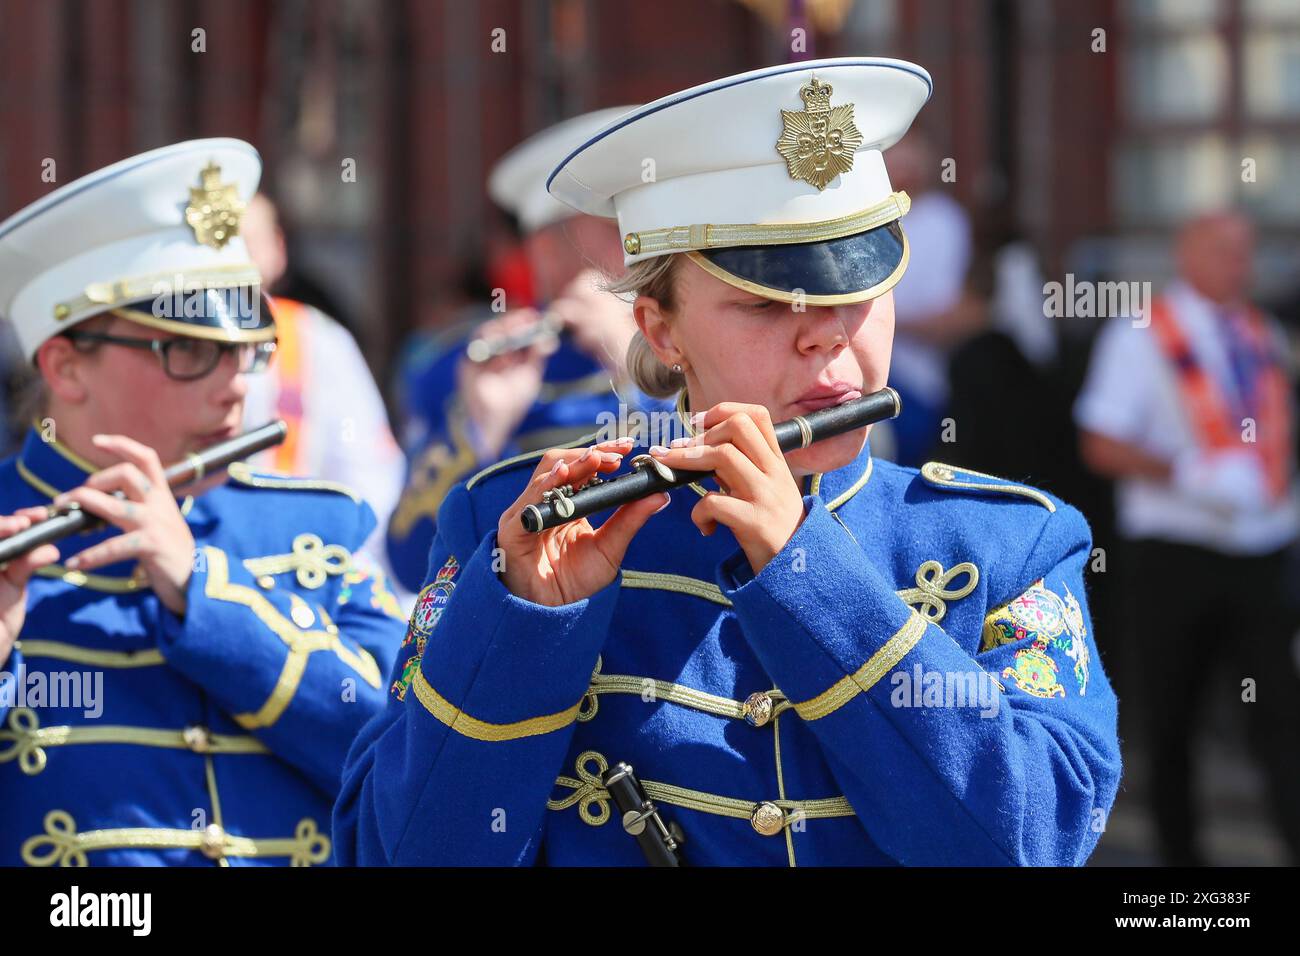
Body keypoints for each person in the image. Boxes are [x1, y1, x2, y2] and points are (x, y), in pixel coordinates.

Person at [336, 58, 1122, 866]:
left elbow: (1035, 841)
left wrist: (809, 577)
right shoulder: (503, 528)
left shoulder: (1008, 543)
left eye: (859, 289)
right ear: (662, 329)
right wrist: (520, 632)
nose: (827, 334)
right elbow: (395, 851)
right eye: (765, 302)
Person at [0, 140, 406, 866]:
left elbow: (402, 762)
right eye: (186, 351)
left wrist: (207, 596)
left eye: (244, 351)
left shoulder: (315, 525)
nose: (236, 387)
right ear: (64, 364)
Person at [1075, 210, 1300, 866]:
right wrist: (1188, 471)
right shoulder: (1140, 333)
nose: (1240, 265)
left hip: (1260, 550)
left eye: (1246, 252)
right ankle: (1183, 874)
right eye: (1225, 250)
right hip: (1176, 552)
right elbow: (1100, 441)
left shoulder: (1261, 331)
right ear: (1186, 252)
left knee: (1280, 716)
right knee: (1171, 719)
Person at [386, 106, 663, 594]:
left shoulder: (695, 345)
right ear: (547, 250)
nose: (645, 245)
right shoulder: (464, 364)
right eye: (616, 228)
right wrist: (480, 431)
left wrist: (636, 364)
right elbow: (410, 559)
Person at [240, 192, 405, 565]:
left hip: (294, 563)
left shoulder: (319, 340)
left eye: (247, 243)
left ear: (277, 250)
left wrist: (347, 575)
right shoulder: (160, 344)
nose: (236, 261)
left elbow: (368, 474)